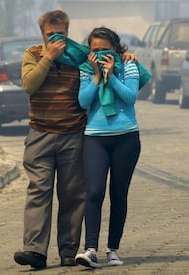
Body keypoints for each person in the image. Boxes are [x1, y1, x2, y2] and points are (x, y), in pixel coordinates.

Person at [13, 10, 88, 269]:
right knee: (38, 191)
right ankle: (35, 251)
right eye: (50, 34)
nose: (56, 39)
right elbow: (29, 85)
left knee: (71, 194)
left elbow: (93, 85)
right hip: (40, 134)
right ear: (42, 34)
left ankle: (68, 250)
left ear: (68, 32)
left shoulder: (79, 57)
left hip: (72, 134)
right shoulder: (33, 54)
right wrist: (48, 58)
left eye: (61, 34)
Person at [74, 26, 142, 268]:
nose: (101, 54)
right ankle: (90, 249)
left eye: (106, 50)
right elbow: (83, 101)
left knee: (119, 194)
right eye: (96, 50)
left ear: (116, 48)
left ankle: (113, 248)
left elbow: (129, 97)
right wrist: (95, 75)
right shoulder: (85, 69)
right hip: (95, 138)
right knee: (93, 192)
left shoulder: (129, 65)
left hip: (126, 138)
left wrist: (111, 75)